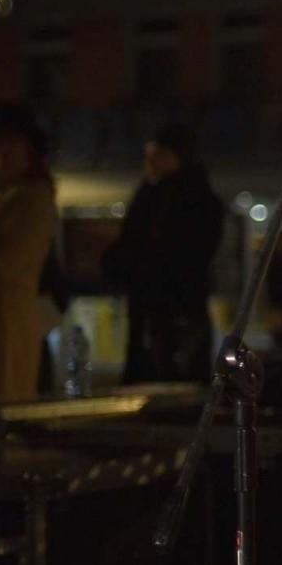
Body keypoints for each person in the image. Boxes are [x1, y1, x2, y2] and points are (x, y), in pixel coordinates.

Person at [103, 123, 225, 383]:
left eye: (158, 154)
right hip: (148, 310)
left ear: (178, 157)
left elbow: (187, 257)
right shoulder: (149, 195)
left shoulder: (196, 201)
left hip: (179, 312)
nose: (150, 161)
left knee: (175, 381)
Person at [0, 103, 59, 401]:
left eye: (13, 142)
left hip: (3, 325)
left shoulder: (32, 198)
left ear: (29, 150)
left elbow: (9, 267)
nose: (2, 151)